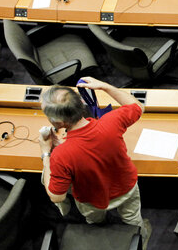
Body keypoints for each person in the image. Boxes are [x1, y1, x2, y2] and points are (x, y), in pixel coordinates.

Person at [39, 77, 145, 228]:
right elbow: (138, 106)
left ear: (58, 123)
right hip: (126, 189)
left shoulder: (61, 155)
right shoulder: (111, 122)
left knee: (94, 221)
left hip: (92, 201)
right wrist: (105, 86)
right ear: (80, 103)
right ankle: (139, 240)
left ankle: (99, 230)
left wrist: (46, 154)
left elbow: (57, 196)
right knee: (133, 219)